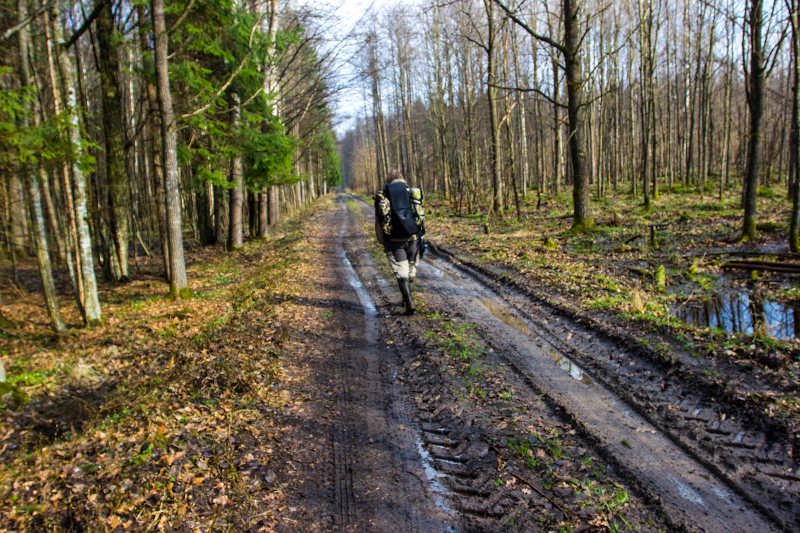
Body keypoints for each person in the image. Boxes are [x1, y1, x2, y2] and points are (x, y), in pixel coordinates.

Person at [374, 170, 425, 315]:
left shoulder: (383, 195)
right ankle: (407, 296)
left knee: (400, 271)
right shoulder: (412, 192)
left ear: (388, 181)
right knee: (410, 269)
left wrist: (382, 240)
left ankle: (408, 300)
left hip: (394, 241)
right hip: (413, 238)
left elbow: (379, 221)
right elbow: (420, 216)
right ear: (403, 179)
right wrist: (421, 236)